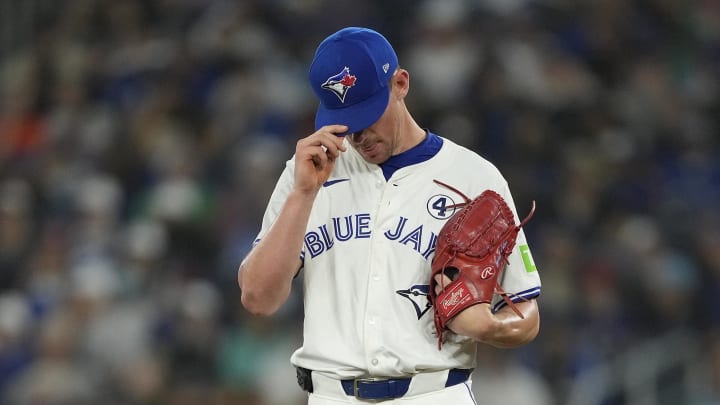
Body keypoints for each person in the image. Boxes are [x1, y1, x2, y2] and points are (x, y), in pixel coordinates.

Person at [238, 26, 541, 404]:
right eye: (347, 123)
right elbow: (258, 298)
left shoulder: (475, 177)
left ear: (400, 83)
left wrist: (492, 325)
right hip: (333, 396)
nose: (359, 134)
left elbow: (526, 311)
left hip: (433, 393)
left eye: (368, 115)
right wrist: (303, 194)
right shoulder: (306, 173)